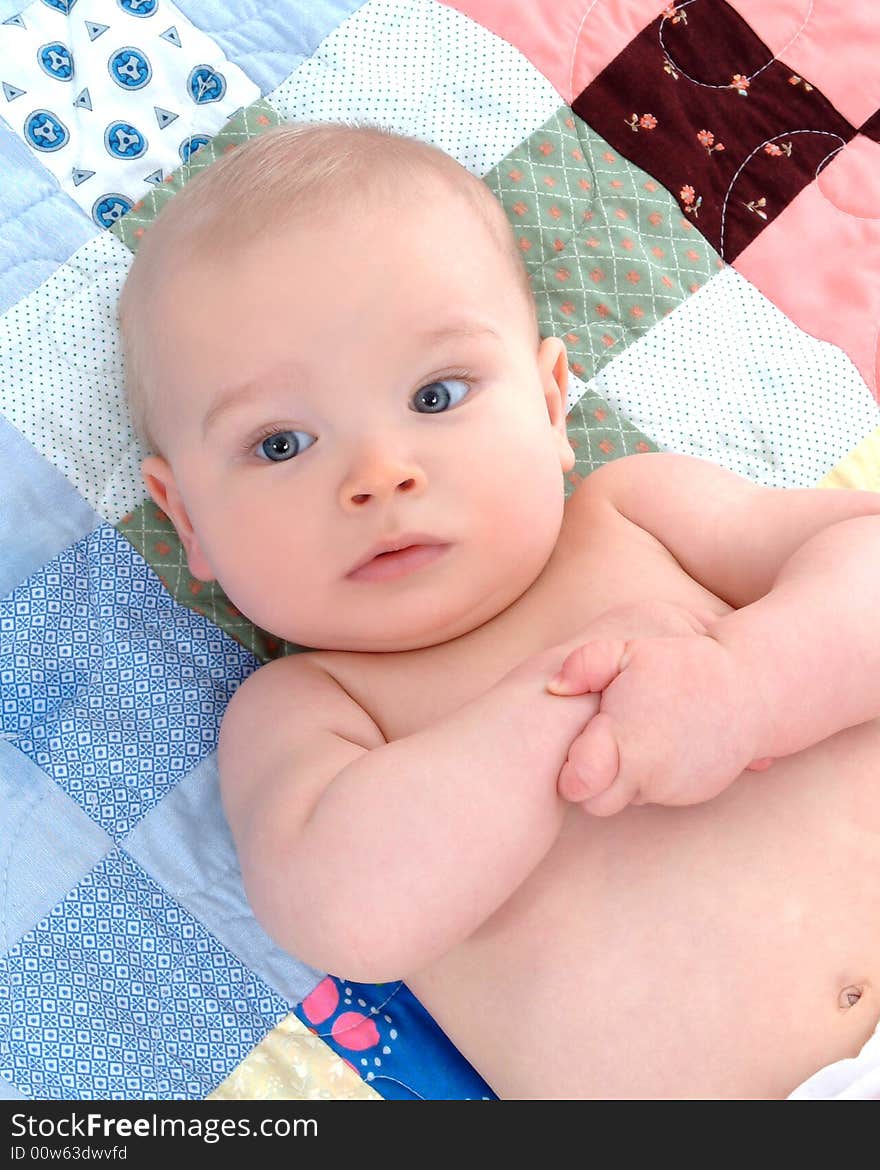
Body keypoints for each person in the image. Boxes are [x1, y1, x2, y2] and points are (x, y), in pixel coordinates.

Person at [118, 121, 880, 1099]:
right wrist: (561, 713)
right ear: (188, 518)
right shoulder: (312, 709)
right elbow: (348, 912)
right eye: (279, 444)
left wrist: (750, 683)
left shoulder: (641, 513)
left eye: (435, 394)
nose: (379, 476)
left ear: (552, 405)